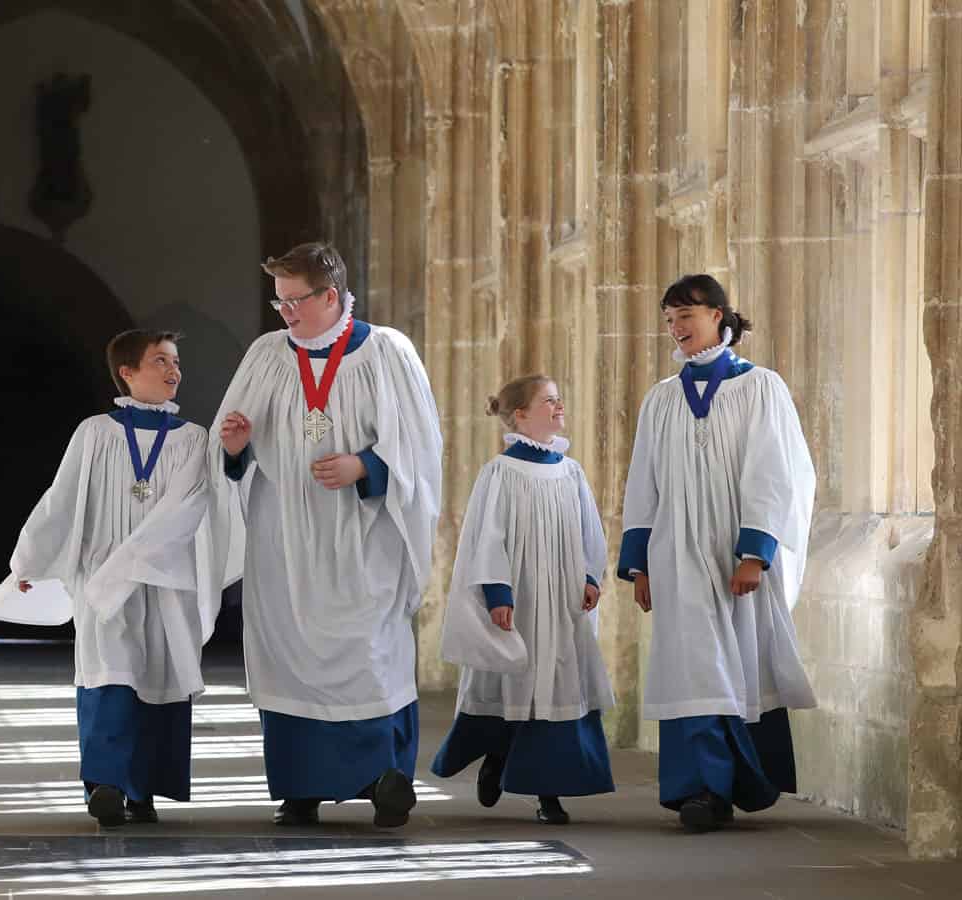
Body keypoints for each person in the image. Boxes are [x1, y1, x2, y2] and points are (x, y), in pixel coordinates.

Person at [211, 242, 443, 828]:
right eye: (279, 301)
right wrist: (234, 447)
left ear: (332, 296)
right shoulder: (266, 354)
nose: (284, 313)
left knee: (367, 647)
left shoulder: (387, 352)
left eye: (295, 300)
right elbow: (228, 445)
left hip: (362, 533)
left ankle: (385, 778)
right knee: (289, 654)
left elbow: (421, 445)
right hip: (283, 536)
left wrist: (366, 467)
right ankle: (300, 786)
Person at [0, 330, 224, 827]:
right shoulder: (95, 432)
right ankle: (104, 784)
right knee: (110, 673)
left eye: (177, 362)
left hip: (164, 582)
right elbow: (60, 500)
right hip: (103, 577)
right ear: (127, 371)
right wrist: (28, 562)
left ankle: (142, 791)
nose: (174, 371)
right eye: (160, 360)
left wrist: (139, 558)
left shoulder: (192, 438)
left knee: (158, 677)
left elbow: (191, 507)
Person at [617, 274, 818, 832]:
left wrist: (754, 552)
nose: (677, 328)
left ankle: (734, 782)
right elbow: (643, 481)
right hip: (677, 552)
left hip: (734, 552)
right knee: (691, 662)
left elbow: (776, 472)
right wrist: (641, 563)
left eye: (687, 315)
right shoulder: (660, 399)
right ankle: (699, 788)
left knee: (737, 659)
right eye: (669, 319)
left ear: (719, 316)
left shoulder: (760, 388)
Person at [432, 374, 615, 825]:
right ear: (521, 414)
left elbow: (590, 528)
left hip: (564, 602)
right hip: (522, 600)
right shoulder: (500, 472)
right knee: (515, 683)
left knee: (557, 686)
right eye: (549, 401)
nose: (559, 408)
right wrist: (498, 592)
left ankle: (548, 792)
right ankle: (498, 752)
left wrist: (591, 576)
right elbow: (486, 538)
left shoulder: (569, 471)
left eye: (559, 400)